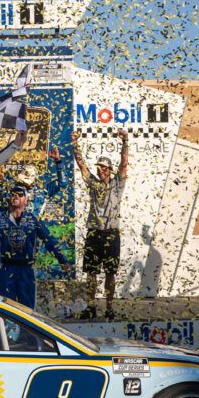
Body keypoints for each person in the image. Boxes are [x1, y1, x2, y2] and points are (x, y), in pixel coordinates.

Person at [71, 129, 128, 320]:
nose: (101, 170)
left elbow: (124, 163)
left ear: (110, 170)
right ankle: (91, 306)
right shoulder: (94, 185)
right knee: (91, 273)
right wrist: (75, 144)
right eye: (99, 167)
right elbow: (81, 165)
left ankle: (110, 307)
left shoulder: (117, 184)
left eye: (104, 168)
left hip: (111, 233)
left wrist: (125, 141)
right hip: (94, 233)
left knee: (110, 273)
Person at [0, 185, 71, 309]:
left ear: (26, 200)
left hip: (26, 269)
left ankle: (25, 330)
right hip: (6, 267)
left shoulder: (32, 219)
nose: (16, 196)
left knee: (27, 310)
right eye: (13, 194)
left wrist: (62, 260)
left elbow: (49, 240)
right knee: (4, 308)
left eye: (20, 194)